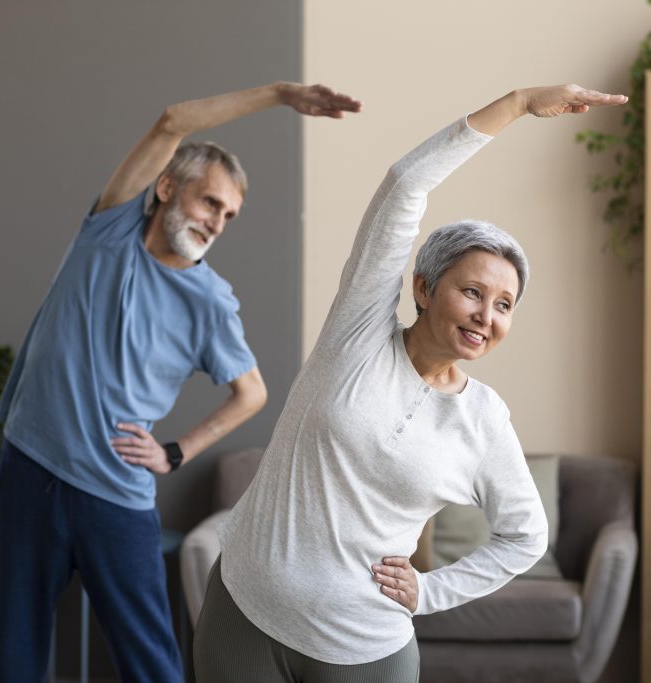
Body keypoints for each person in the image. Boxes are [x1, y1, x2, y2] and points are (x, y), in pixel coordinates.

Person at [194, 83, 627, 682]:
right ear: (424, 288)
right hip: (240, 615)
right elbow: (406, 183)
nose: (486, 315)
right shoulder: (358, 334)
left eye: (504, 305)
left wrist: (431, 591)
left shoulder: (483, 419)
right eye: (472, 291)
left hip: (363, 650)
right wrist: (520, 104)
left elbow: (525, 537)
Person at [0, 81, 362, 683]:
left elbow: (253, 393)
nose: (218, 222)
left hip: (114, 495)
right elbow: (171, 122)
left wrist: (174, 451)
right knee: (16, 659)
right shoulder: (108, 230)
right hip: (29, 471)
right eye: (211, 202)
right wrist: (282, 95)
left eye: (228, 215)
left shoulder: (212, 303)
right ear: (166, 188)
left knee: (152, 668)